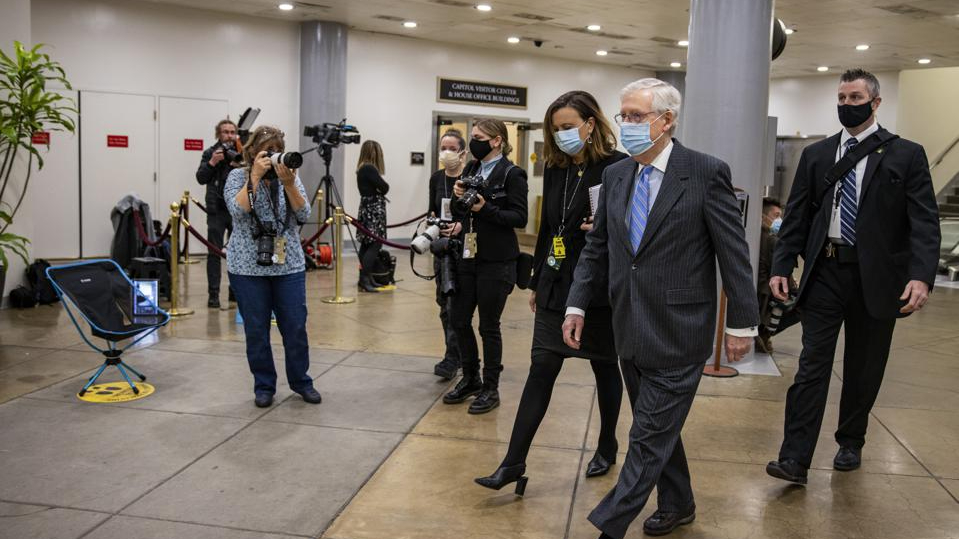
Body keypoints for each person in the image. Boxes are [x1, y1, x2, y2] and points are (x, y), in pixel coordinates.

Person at [563, 78, 758, 539]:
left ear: (666, 120)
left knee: (646, 437)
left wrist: (743, 324)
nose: (626, 124)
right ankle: (679, 503)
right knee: (659, 427)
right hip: (629, 326)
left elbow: (733, 253)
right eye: (624, 115)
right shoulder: (616, 175)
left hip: (679, 330)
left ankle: (609, 525)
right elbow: (598, 248)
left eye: (636, 116)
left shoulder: (705, 172)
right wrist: (576, 304)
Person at [766, 69, 940, 484]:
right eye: (841, 98)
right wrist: (781, 265)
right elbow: (797, 215)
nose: (846, 104)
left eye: (855, 97)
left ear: (875, 102)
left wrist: (921, 276)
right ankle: (794, 459)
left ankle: (850, 440)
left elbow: (924, 221)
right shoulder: (817, 155)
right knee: (812, 366)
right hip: (825, 272)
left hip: (876, 279)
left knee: (864, 367)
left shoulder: (906, 154)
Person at [475, 91, 628, 494]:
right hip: (557, 283)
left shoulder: (618, 167)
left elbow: (633, 228)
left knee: (605, 367)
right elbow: (548, 228)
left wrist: (606, 228)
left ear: (590, 125)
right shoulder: (556, 166)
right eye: (555, 129)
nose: (561, 135)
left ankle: (607, 444)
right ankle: (513, 463)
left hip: (599, 288)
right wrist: (539, 280)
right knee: (541, 368)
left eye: (567, 127)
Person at [224, 125, 323, 408]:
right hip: (247, 268)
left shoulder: (290, 176)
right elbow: (237, 211)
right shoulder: (237, 176)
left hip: (287, 265)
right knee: (256, 331)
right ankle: (264, 386)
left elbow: (303, 214)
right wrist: (255, 176)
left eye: (278, 151)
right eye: (267, 151)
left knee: (295, 327)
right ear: (253, 152)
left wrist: (289, 183)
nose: (273, 156)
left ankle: (301, 382)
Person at [443, 119, 529, 415]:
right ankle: (471, 378)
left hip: (498, 260)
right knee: (458, 319)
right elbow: (462, 212)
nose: (473, 142)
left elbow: (519, 217)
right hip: (469, 255)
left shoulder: (512, 174)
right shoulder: (471, 168)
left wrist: (486, 208)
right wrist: (458, 200)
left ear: (496, 140)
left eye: (479, 137)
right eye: (473, 136)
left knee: (488, 326)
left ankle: (491, 388)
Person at [429, 129, 467, 380]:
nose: (447, 153)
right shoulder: (436, 178)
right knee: (443, 304)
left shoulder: (469, 178)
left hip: (463, 247)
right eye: (444, 148)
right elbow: (431, 209)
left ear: (462, 152)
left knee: (456, 305)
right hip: (441, 246)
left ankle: (453, 357)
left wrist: (459, 227)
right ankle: (455, 353)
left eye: (452, 148)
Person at [196, 119, 241, 308]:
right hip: (216, 210)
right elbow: (200, 178)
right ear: (218, 134)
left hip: (236, 209)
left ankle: (235, 291)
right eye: (225, 132)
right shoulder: (210, 153)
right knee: (214, 253)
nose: (229, 135)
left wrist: (240, 164)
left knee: (236, 253)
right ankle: (213, 294)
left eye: (232, 132)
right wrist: (213, 162)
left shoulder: (240, 153)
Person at [355, 140, 390, 293]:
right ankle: (364, 278)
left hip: (367, 208)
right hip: (373, 209)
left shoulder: (362, 167)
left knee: (366, 244)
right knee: (375, 244)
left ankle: (366, 278)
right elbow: (385, 187)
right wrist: (381, 188)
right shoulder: (369, 168)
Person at [756, 197, 784, 352]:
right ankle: (765, 333)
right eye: (776, 215)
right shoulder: (772, 240)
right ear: (763, 216)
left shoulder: (755, 235)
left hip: (760, 288)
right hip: (766, 290)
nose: (779, 220)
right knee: (797, 302)